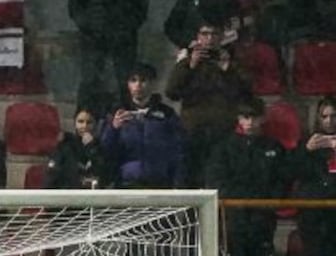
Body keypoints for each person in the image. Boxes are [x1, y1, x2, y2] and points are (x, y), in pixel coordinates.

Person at [205, 98, 289, 256]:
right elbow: (217, 181)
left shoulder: (273, 148)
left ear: (262, 119)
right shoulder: (224, 148)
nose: (250, 122)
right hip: (235, 221)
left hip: (263, 221)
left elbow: (281, 182)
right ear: (239, 120)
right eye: (245, 117)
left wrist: (268, 204)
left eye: (254, 117)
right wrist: (239, 204)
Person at [165, 20, 252, 186]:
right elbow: (171, 92)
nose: (210, 38)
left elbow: (245, 93)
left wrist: (227, 70)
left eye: (214, 34)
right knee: (188, 178)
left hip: (222, 131)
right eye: (205, 34)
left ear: (221, 37)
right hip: (193, 131)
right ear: (198, 37)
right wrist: (190, 66)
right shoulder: (187, 62)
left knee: (217, 179)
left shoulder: (232, 63)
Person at [100, 63, 186, 188]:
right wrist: (113, 128)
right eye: (133, 80)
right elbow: (106, 151)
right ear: (127, 85)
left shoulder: (167, 114)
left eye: (143, 80)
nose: (138, 85)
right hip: (126, 184)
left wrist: (178, 183)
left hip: (160, 184)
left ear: (153, 84)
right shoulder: (116, 113)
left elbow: (178, 151)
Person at [292, 97, 336, 256]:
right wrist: (306, 151)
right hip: (316, 223)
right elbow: (290, 172)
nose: (330, 121)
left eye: (334, 116)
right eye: (325, 116)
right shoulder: (306, 145)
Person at [69, 0, 149, 113]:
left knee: (125, 82)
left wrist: (126, 27)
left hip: (123, 38)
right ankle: (86, 122)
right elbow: (75, 7)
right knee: (90, 81)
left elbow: (141, 8)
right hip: (92, 38)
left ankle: (129, 123)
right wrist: (90, 25)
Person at [46, 107, 116, 190]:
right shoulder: (65, 146)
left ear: (96, 124)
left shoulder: (101, 147)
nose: (84, 126)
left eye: (89, 122)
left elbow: (105, 176)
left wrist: (92, 147)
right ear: (75, 123)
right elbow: (52, 177)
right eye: (80, 122)